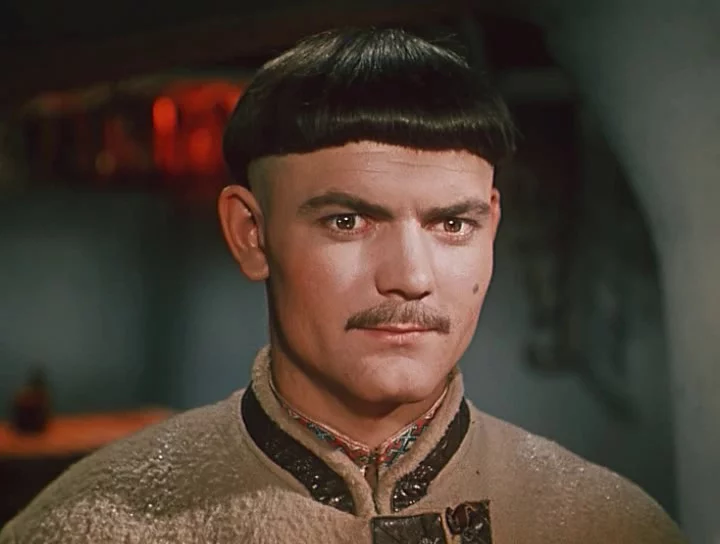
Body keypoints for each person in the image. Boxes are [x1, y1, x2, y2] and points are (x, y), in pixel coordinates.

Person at [0, 28, 686, 544]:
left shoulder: (609, 524)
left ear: (492, 228)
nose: (411, 277)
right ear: (251, 233)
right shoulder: (93, 526)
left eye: (452, 224)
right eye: (348, 221)